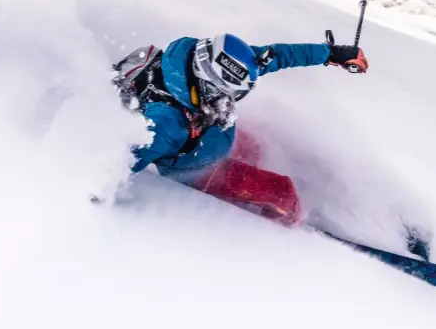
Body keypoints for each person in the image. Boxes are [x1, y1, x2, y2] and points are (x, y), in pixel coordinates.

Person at [112, 33, 368, 224]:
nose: (231, 100)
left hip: (210, 138)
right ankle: (290, 230)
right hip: (199, 170)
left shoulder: (220, 66)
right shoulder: (163, 124)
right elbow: (116, 166)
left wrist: (331, 54)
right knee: (282, 192)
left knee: (256, 147)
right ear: (208, 83)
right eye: (227, 93)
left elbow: (275, 55)